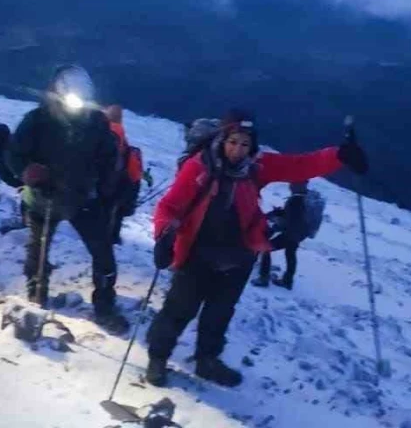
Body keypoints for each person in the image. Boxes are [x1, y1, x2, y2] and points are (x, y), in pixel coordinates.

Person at [145, 109, 368, 388]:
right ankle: (157, 358)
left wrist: (340, 156)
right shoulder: (199, 167)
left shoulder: (256, 166)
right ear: (222, 140)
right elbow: (169, 206)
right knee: (179, 310)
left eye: (244, 144)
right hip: (197, 255)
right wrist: (164, 235)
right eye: (233, 142)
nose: (238, 150)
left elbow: (298, 165)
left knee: (220, 312)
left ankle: (207, 360)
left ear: (252, 146)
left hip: (238, 257)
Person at [5, 64, 126, 333]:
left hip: (82, 197)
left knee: (102, 251)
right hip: (43, 196)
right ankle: (36, 293)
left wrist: (109, 183)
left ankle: (105, 303)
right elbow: (14, 153)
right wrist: (27, 172)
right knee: (38, 249)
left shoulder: (96, 122)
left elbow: (109, 156)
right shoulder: (37, 120)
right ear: (58, 91)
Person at [252, 181, 325, 290]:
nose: (290, 186)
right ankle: (288, 281)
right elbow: (291, 216)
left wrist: (274, 220)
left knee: (266, 248)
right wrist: (277, 213)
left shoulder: (296, 200)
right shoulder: (304, 198)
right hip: (300, 234)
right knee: (290, 253)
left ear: (299, 185)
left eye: (293, 184)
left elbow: (288, 222)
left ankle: (263, 278)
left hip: (291, 234)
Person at [102, 104, 145, 245]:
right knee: (117, 210)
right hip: (125, 180)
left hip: (113, 178)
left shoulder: (111, 130)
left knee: (106, 207)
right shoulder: (120, 131)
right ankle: (114, 235)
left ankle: (105, 234)